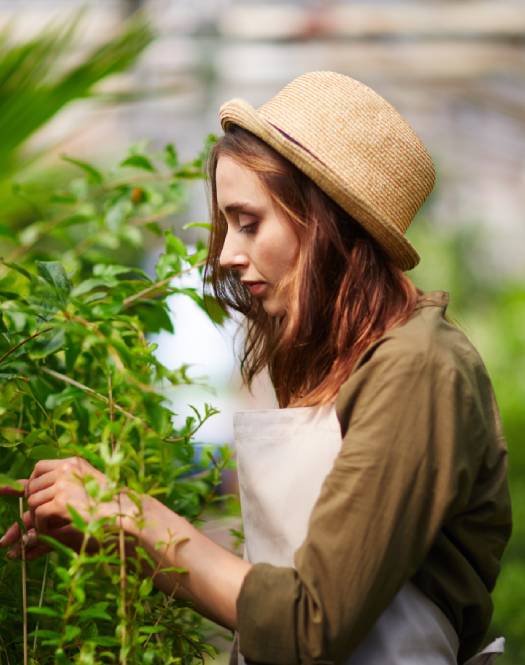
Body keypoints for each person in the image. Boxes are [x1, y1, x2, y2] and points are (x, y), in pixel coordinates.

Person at [0, 71, 512, 665]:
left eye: (249, 222)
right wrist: (117, 535)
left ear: (325, 220)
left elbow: (311, 624)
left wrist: (134, 516)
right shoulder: (346, 361)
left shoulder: (417, 367)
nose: (225, 255)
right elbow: (268, 602)